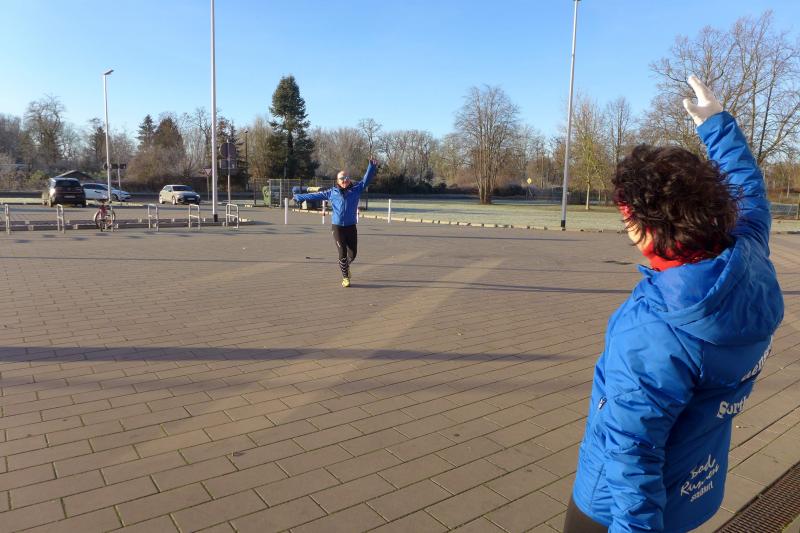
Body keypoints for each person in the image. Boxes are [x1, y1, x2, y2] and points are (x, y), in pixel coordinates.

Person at [567, 76, 784, 533]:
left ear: (645, 230)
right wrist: (716, 125)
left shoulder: (651, 331)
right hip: (696, 489)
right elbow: (748, 189)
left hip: (610, 509)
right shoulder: (748, 252)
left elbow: (632, 454)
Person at [293, 159, 378, 287]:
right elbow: (315, 196)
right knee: (342, 252)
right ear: (337, 181)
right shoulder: (332, 192)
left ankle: (345, 267)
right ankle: (345, 277)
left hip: (351, 226)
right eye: (342, 178)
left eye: (347, 178)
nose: (345, 180)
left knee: (353, 254)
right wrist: (299, 197)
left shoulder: (356, 189)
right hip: (337, 227)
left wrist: (371, 166)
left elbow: (366, 180)